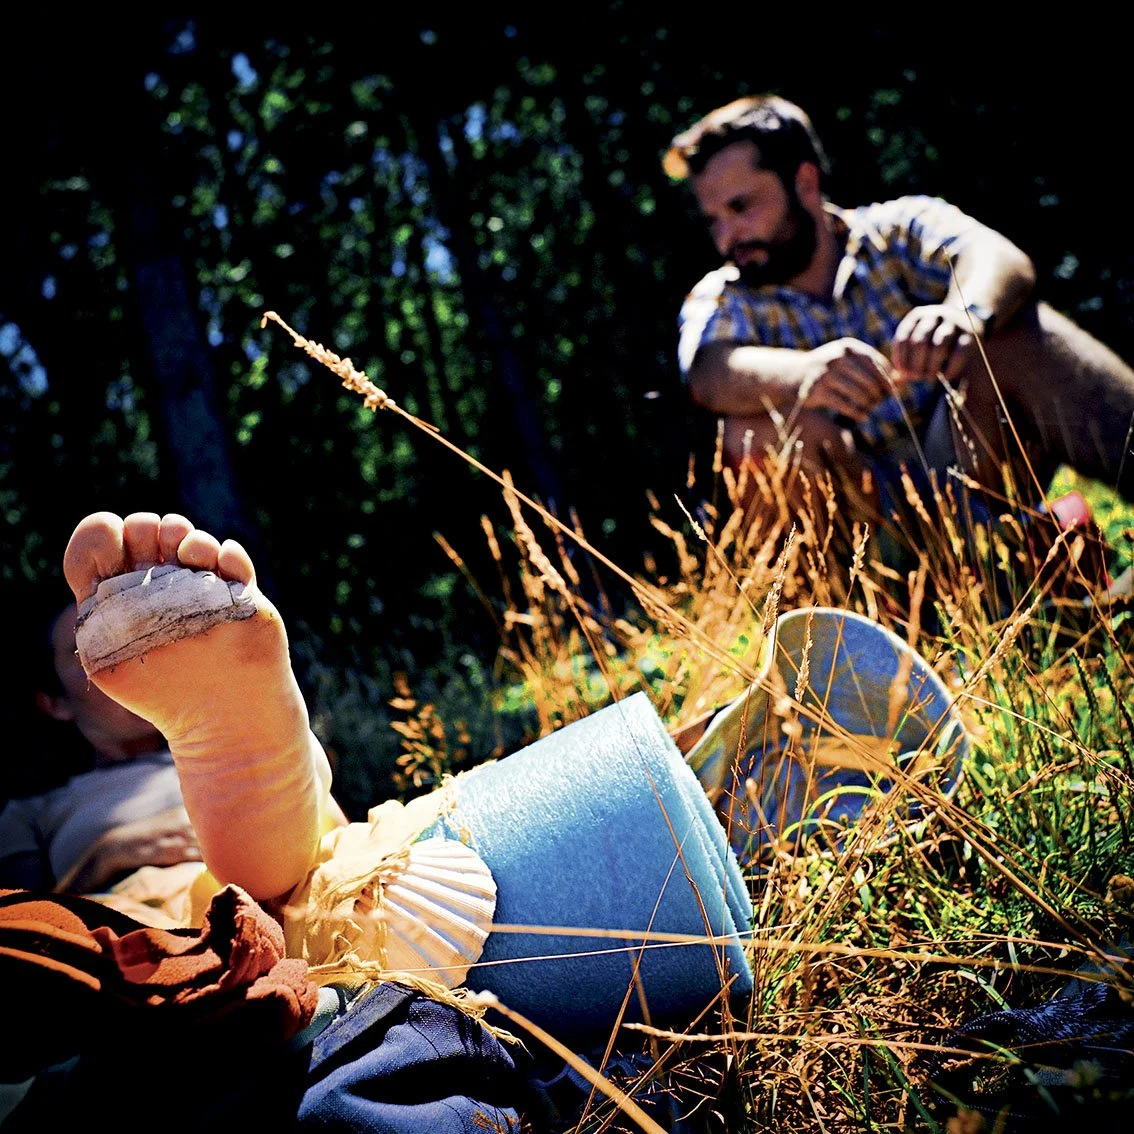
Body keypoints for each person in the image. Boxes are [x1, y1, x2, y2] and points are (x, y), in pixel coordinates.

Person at [665, 95, 1134, 560]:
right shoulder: (723, 295)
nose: (727, 238)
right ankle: (853, 605)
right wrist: (802, 374)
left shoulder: (896, 229)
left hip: (968, 467)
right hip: (861, 525)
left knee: (1017, 334)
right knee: (756, 434)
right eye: (713, 221)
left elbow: (996, 256)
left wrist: (963, 315)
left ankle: (999, 555)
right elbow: (706, 371)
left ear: (804, 183)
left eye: (741, 207)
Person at [0, 601, 201, 899]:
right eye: (91, 652)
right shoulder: (27, 816)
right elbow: (20, 917)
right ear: (56, 704)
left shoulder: (230, 752)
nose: (129, 661)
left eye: (135, 641)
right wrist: (105, 857)